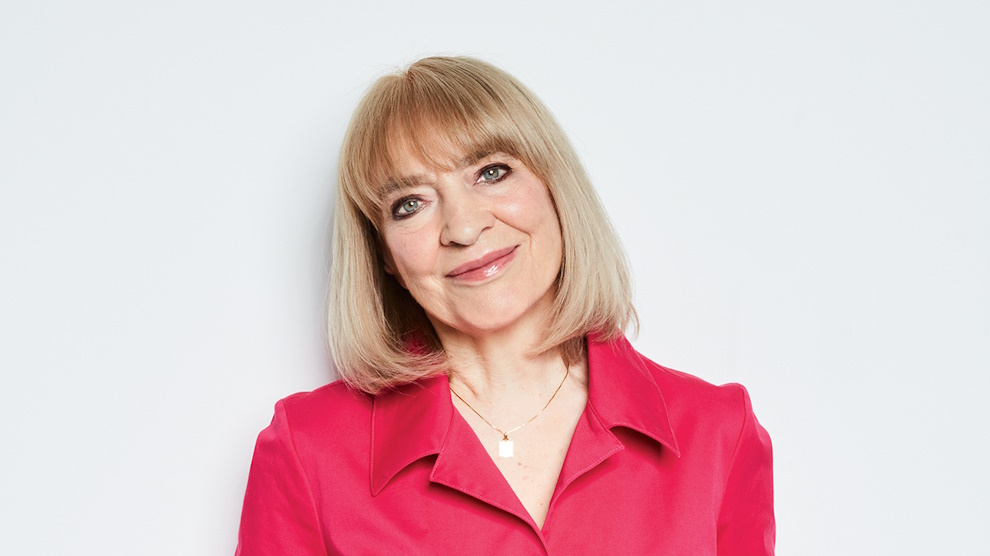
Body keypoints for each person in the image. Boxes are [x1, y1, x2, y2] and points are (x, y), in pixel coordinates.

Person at [236, 56, 774, 555]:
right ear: (384, 256)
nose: (465, 227)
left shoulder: (716, 434)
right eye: (410, 203)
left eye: (491, 172)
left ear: (554, 186)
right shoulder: (309, 454)